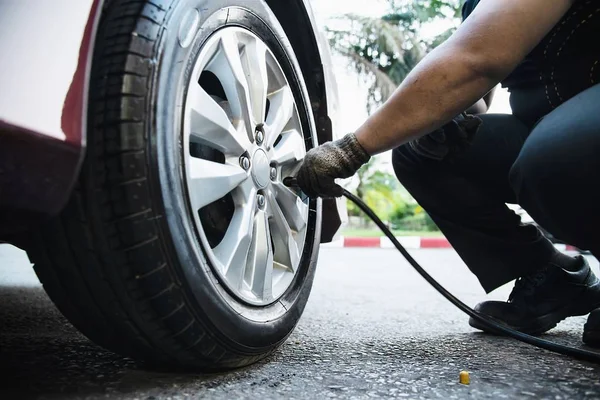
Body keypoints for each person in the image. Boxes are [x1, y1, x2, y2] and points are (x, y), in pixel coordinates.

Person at [295, 0, 600, 345]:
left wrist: (352, 148)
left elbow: (476, 61)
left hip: (581, 130)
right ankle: (551, 277)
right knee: (423, 154)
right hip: (548, 128)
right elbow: (479, 95)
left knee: (553, 156)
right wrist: (441, 120)